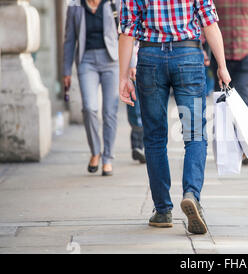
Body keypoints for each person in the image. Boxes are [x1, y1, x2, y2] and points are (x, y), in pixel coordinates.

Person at [119, 0, 231, 234]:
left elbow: (127, 30)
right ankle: (191, 195)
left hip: (150, 58)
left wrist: (122, 78)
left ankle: (162, 211)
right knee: (194, 133)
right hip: (188, 56)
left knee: (154, 137)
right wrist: (222, 65)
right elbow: (209, 22)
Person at [64, 0, 120, 176]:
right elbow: (69, 39)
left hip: (111, 61)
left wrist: (131, 64)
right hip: (86, 61)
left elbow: (125, 33)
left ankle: (108, 158)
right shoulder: (75, 7)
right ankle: (95, 151)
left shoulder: (113, 4)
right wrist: (66, 70)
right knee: (89, 108)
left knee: (110, 111)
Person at [211, 0, 248, 165]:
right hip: (220, 56)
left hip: (246, 52)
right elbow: (203, 20)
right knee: (224, 105)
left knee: (244, 99)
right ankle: (230, 149)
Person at [127, 41, 146, 163]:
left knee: (149, 111)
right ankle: (137, 146)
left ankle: (144, 147)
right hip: (132, 71)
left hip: (150, 68)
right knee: (135, 110)